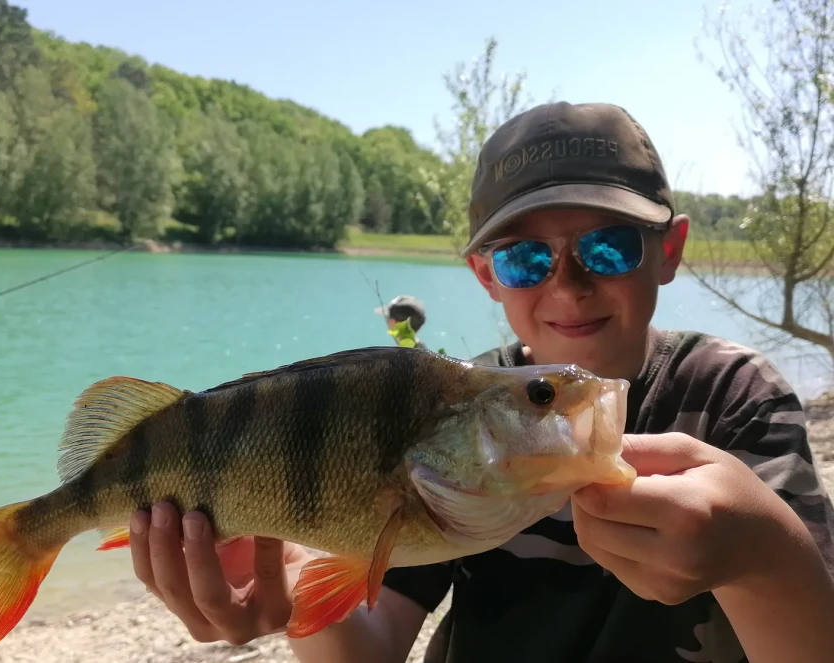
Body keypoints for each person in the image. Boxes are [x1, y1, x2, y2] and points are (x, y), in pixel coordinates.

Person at [125, 101, 834, 662]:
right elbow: (365, 650)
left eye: (608, 245)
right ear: (486, 276)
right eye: (527, 258)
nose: (569, 284)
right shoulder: (464, 416)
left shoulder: (736, 395)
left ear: (669, 249)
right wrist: (289, 599)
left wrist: (764, 556)